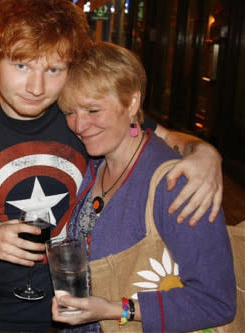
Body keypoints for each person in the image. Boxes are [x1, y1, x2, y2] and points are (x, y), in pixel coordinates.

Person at [0, 1, 223, 332]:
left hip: (67, 318)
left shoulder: (81, 118)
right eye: (21, 66)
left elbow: (161, 136)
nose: (36, 87)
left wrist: (205, 153)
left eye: (53, 70)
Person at [50, 42, 235, 332]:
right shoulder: (95, 164)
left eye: (93, 110)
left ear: (132, 102)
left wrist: (116, 310)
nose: (79, 125)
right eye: (70, 112)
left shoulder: (177, 184)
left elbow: (216, 301)